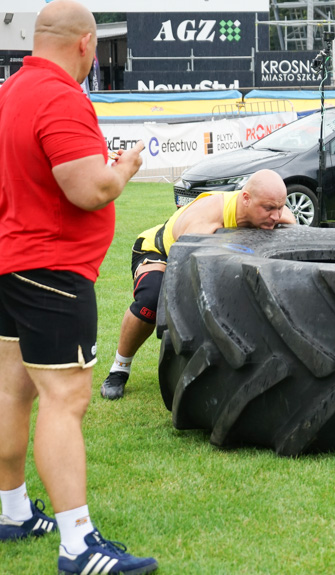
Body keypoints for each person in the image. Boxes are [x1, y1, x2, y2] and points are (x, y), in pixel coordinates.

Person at [0, 1, 158, 573]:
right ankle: (78, 544)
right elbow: (88, 190)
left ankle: (13, 512)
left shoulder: (11, 91)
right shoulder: (61, 96)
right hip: (52, 270)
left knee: (13, 392)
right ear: (88, 44)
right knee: (64, 402)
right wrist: (125, 169)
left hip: (13, 261)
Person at [100, 170, 296, 400]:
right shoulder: (207, 217)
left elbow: (290, 230)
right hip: (160, 251)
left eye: (280, 207)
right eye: (269, 208)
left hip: (207, 256)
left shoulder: (276, 213)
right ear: (245, 199)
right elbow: (182, 263)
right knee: (151, 301)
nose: (276, 216)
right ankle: (119, 370)